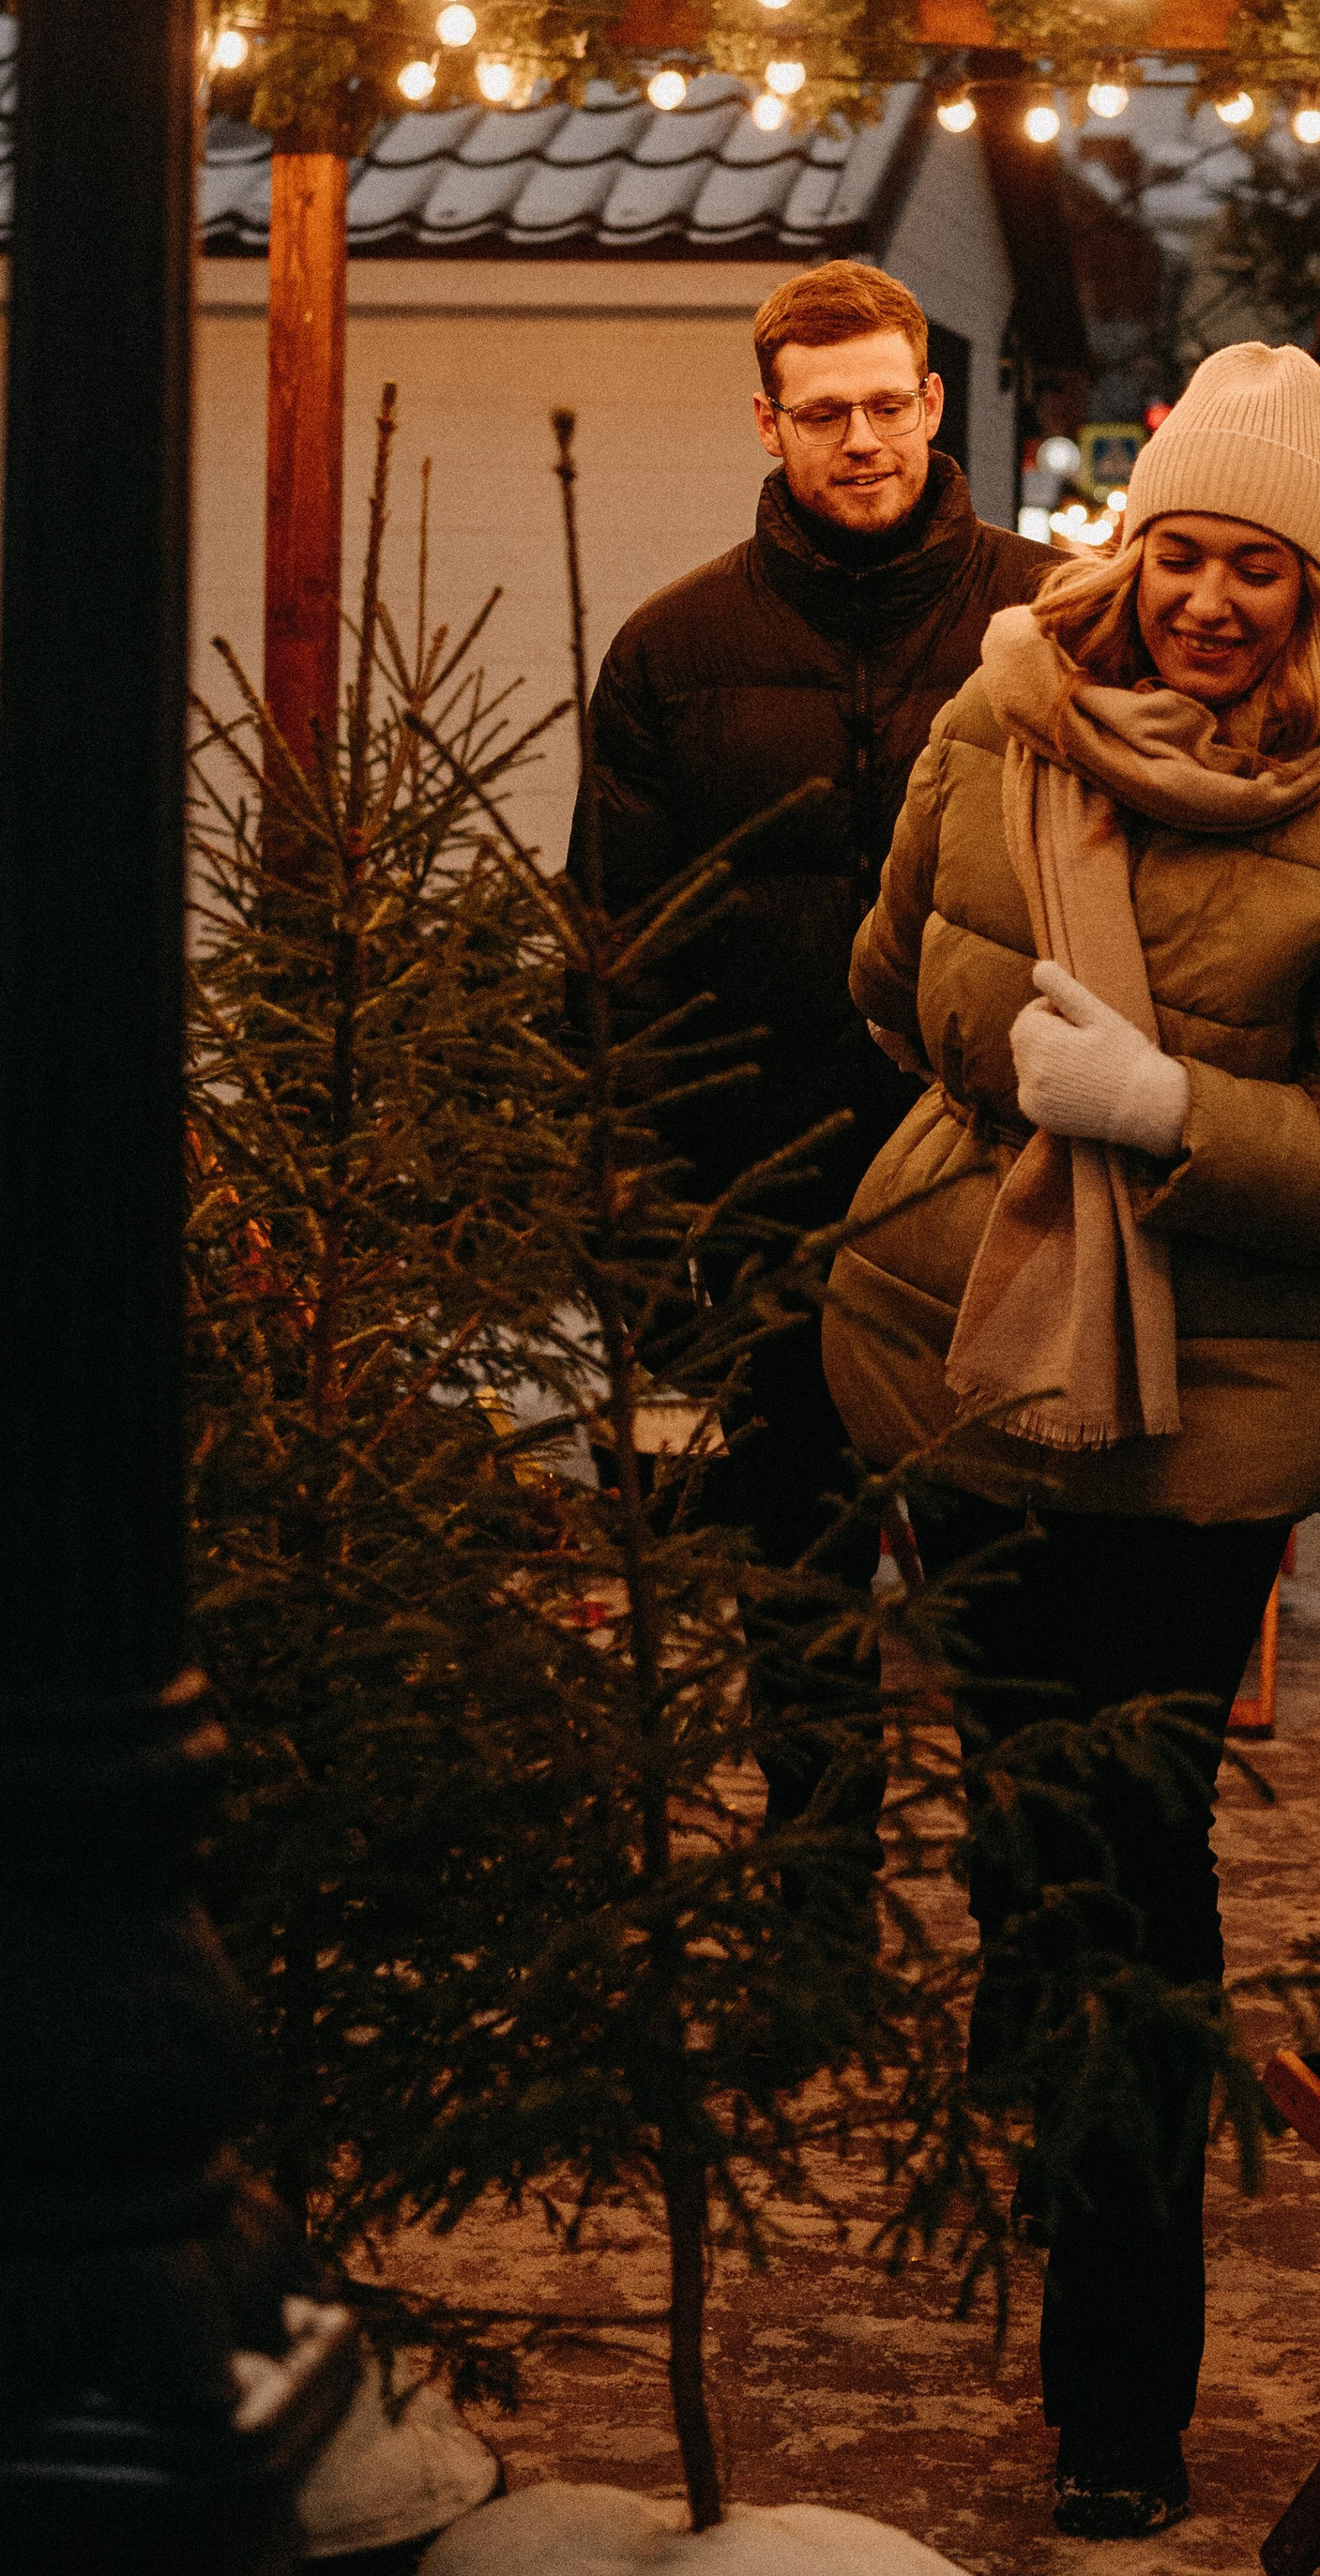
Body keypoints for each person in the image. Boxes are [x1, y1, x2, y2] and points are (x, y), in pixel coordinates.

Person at [823, 341, 1320, 2540]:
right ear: (1133, 553)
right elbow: (888, 971)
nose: (1214, 605)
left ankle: (1120, 2391)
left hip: (1200, 1423)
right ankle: (1042, 2167)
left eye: (1261, 575)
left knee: (1130, 1885)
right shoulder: (1002, 714)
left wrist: (1164, 1113)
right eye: (1185, 555)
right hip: (953, 1367)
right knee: (1020, 1844)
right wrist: (1009, 1060)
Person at [571, 263, 1051, 1889]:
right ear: (768, 425)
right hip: (767, 1202)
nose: (864, 440)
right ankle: (818, 1937)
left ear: (933, 405)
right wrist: (651, 1214)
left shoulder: (1047, 627)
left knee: (1011, 1608)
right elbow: (620, 956)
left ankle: (1019, 1969)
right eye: (825, 413)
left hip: (999, 1201)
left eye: (889, 405)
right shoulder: (673, 652)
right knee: (796, 1598)